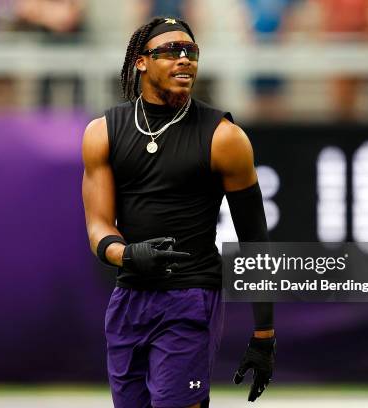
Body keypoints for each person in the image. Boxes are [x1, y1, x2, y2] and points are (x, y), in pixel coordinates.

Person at [82, 16, 275, 408]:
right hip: (129, 298)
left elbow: (254, 239)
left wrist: (264, 334)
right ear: (141, 61)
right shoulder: (103, 132)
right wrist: (129, 253)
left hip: (190, 297)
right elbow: (98, 225)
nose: (184, 59)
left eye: (191, 52)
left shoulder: (225, 137)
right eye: (171, 51)